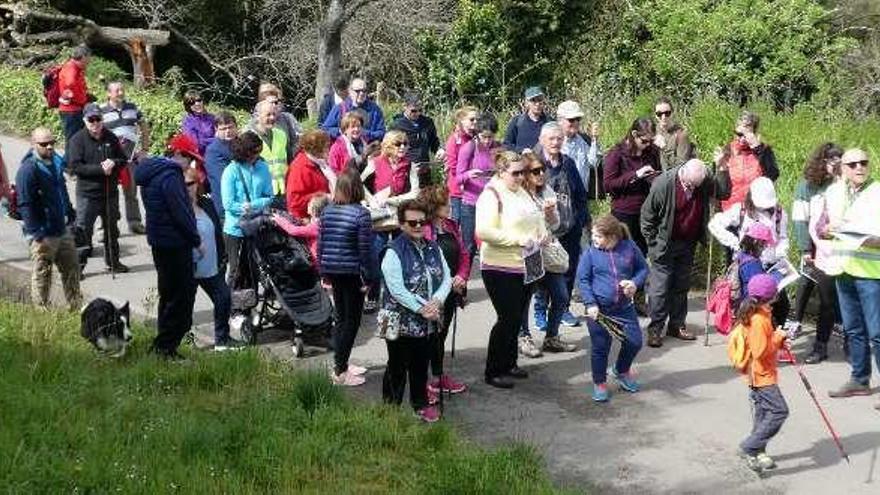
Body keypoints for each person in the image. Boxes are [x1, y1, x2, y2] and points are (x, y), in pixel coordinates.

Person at [641, 158, 731, 348]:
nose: (693, 188)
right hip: (664, 244)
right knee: (660, 288)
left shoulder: (701, 181)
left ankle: (676, 325)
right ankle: (655, 328)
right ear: (683, 174)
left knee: (681, 286)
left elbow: (723, 192)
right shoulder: (663, 184)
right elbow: (647, 217)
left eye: (696, 185)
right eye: (690, 184)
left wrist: (722, 169)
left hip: (688, 242)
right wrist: (654, 244)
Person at [476, 150, 547, 389]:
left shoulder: (522, 191)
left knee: (517, 317)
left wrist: (541, 231)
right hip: (500, 266)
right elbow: (484, 232)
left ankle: (510, 363)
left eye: (523, 172)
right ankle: (494, 370)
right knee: (506, 318)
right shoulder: (491, 194)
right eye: (515, 173)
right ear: (501, 171)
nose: (520, 177)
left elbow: (536, 217)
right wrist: (518, 240)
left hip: (528, 263)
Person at [379, 199, 452, 423]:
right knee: (397, 365)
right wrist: (423, 308)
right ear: (401, 224)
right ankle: (390, 408)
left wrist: (437, 301)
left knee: (421, 363)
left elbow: (446, 277)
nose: (418, 226)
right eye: (412, 223)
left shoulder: (433, 247)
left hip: (427, 318)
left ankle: (420, 404)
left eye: (422, 221)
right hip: (395, 319)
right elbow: (397, 289)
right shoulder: (392, 251)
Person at [817, 149, 880, 405]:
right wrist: (827, 230)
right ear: (842, 168)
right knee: (853, 330)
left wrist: (871, 240)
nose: (858, 167)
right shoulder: (833, 192)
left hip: (871, 273)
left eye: (863, 162)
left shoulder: (877, 193)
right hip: (842, 269)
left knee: (877, 333)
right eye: (852, 164)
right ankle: (859, 379)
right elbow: (820, 228)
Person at [134, 134, 203, 361]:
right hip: (175, 243)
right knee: (180, 298)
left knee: (167, 293)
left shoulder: (151, 172)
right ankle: (166, 348)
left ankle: (164, 346)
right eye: (188, 158)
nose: (190, 165)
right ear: (177, 155)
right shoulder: (171, 176)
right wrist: (196, 239)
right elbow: (181, 213)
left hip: (159, 240)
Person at [578, 214, 648, 402]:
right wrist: (590, 303)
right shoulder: (590, 253)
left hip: (624, 309)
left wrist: (634, 283)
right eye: (593, 235)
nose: (594, 239)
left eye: (598, 236)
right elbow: (583, 280)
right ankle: (599, 382)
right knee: (601, 348)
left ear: (613, 237)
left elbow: (643, 269)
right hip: (599, 311)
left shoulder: (630, 247)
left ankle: (621, 370)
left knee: (635, 342)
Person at [527, 122, 589, 333]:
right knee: (543, 273)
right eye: (551, 139)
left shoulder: (568, 163)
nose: (556, 142)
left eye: (559, 139)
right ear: (542, 140)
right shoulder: (534, 163)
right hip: (545, 232)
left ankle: (562, 309)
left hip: (569, 227)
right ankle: (540, 311)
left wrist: (580, 221)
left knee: (567, 270)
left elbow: (580, 194)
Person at [317, 171, 375, 386]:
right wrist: (368, 278)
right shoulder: (361, 214)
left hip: (333, 271)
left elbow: (321, 245)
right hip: (352, 273)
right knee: (351, 322)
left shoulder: (327, 211)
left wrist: (324, 272)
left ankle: (341, 362)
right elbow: (365, 250)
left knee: (341, 319)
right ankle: (340, 370)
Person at [708, 177, 790, 327]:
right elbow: (715, 225)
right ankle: (747, 339)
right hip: (748, 265)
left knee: (781, 306)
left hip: (772, 265)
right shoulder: (740, 210)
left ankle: (772, 339)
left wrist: (781, 252)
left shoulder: (780, 213)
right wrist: (733, 242)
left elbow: (783, 237)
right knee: (749, 305)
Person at [518, 150, 577, 356]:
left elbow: (557, 224)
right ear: (525, 174)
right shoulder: (520, 195)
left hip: (549, 250)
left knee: (560, 295)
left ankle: (551, 337)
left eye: (543, 169)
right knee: (525, 296)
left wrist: (551, 214)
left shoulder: (548, 191)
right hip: (530, 251)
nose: (541, 173)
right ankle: (524, 337)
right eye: (535, 171)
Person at [15, 127, 81, 310]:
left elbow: (62, 191)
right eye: (44, 144)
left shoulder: (57, 162)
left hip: (62, 228)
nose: (50, 147)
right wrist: (37, 234)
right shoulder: (28, 170)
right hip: (43, 234)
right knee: (43, 274)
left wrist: (70, 212)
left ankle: (75, 308)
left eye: (52, 142)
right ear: (33, 144)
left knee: (72, 270)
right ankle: (41, 312)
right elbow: (25, 204)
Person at [790, 143, 843, 364]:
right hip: (813, 246)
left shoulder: (843, 186)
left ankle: (843, 334)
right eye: (833, 161)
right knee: (807, 284)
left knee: (832, 296)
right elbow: (800, 219)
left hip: (839, 250)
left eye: (840, 161)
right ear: (822, 162)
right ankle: (797, 324)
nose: (837, 165)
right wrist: (804, 248)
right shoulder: (807, 186)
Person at [733, 274, 790, 473]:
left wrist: (776, 338)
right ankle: (750, 445)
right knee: (779, 411)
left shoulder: (762, 313)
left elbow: (764, 344)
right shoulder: (759, 319)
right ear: (773, 296)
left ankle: (757, 452)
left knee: (763, 413)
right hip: (762, 376)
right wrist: (778, 337)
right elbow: (759, 351)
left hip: (759, 374)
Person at [418, 186, 470, 401]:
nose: (450, 206)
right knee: (429, 336)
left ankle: (437, 376)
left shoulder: (451, 226)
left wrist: (462, 276)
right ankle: (423, 382)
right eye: (445, 203)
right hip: (432, 293)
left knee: (442, 334)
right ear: (433, 207)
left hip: (451, 291)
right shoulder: (423, 229)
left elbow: (464, 254)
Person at [183, 167, 242, 351]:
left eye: (190, 184)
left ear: (197, 184)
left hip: (211, 265)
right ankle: (185, 340)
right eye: (183, 184)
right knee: (185, 305)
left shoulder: (206, 203)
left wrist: (222, 255)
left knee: (223, 298)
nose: (187, 188)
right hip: (188, 266)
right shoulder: (177, 207)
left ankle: (222, 340)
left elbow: (217, 230)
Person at [67, 103, 128, 273]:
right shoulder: (77, 140)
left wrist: (113, 163)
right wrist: (100, 169)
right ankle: (77, 267)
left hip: (110, 193)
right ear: (85, 120)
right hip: (87, 195)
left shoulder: (111, 137)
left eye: (98, 119)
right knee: (83, 233)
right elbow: (75, 167)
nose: (95, 123)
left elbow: (122, 160)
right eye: (91, 119)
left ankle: (113, 262)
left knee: (112, 230)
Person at [220, 132, 274, 284]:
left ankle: (252, 300)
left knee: (253, 269)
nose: (256, 156)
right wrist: (242, 207)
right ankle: (231, 304)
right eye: (253, 152)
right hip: (235, 228)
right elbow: (228, 204)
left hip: (255, 225)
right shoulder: (231, 171)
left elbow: (269, 196)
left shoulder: (263, 167)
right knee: (236, 270)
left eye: (258, 152)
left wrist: (253, 206)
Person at [603, 117, 661, 256]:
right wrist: (635, 175)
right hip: (624, 213)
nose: (648, 144)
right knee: (623, 254)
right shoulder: (616, 154)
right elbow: (608, 185)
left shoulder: (652, 151)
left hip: (647, 211)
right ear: (634, 134)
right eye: (644, 141)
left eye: (651, 141)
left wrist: (653, 177)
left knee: (642, 253)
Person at [100, 80, 150, 235]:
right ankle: (105, 228)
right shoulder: (101, 111)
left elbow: (144, 127)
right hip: (110, 159)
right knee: (108, 193)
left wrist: (144, 149)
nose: (121, 93)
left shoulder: (132, 108)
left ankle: (135, 223)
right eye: (117, 90)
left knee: (131, 192)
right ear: (109, 94)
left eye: (122, 90)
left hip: (130, 158)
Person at [456, 113, 501, 259]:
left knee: (490, 243)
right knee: (469, 246)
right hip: (471, 202)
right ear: (477, 134)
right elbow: (458, 178)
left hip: (492, 202)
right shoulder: (469, 148)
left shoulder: (499, 148)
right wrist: (469, 175)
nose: (487, 141)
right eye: (484, 137)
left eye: (490, 137)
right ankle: (463, 278)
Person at [716, 110, 779, 212]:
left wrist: (758, 149)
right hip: (730, 212)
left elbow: (773, 175)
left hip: (755, 211)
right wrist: (718, 166)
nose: (742, 139)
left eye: (746, 134)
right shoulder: (726, 150)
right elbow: (717, 187)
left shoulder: (764, 151)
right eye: (739, 134)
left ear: (754, 133)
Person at [286, 130, 335, 220]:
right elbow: (294, 202)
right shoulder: (300, 168)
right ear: (316, 149)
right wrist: (323, 196)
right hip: (305, 219)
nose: (329, 149)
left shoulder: (320, 163)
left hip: (322, 214)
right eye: (326, 147)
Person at [557, 100, 601, 197]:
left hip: (581, 195)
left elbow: (594, 163)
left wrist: (594, 140)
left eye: (578, 119)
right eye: (571, 119)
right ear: (560, 121)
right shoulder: (553, 141)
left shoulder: (584, 139)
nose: (576, 122)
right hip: (560, 197)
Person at [321, 77, 386, 143]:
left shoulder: (374, 109)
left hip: (368, 149)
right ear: (350, 91)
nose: (361, 94)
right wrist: (343, 131)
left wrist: (366, 134)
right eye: (357, 91)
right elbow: (325, 129)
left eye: (364, 91)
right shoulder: (340, 108)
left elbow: (381, 132)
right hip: (344, 149)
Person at [247, 99, 290, 196]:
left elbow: (287, 160)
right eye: (268, 114)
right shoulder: (249, 137)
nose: (272, 117)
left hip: (283, 190)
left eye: (274, 114)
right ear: (258, 116)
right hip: (261, 192)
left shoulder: (281, 134)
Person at [444, 106, 478, 223]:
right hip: (458, 190)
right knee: (457, 222)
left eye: (477, 119)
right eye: (472, 119)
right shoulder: (454, 140)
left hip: (475, 189)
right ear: (462, 120)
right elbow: (453, 167)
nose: (475, 123)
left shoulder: (477, 138)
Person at [252, 82, 303, 158]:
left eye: (277, 102)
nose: (275, 105)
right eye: (273, 102)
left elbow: (299, 140)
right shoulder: (252, 126)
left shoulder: (287, 118)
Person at [275, 193, 330, 262]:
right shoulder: (325, 221)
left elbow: (293, 230)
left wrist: (279, 220)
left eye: (309, 204)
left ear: (314, 209)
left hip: (318, 261)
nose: (307, 205)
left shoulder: (317, 226)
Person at [203, 112, 238, 220]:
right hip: (226, 208)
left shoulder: (241, 144)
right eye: (223, 129)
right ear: (216, 130)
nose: (228, 131)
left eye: (230, 127)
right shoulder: (213, 151)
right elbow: (223, 179)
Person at [390, 92, 441, 165]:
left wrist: (439, 150)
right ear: (404, 106)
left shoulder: (427, 122)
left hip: (424, 166)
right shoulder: (396, 125)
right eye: (413, 111)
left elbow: (433, 141)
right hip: (404, 167)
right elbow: (390, 148)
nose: (418, 113)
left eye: (420, 110)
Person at [652, 97, 695, 171]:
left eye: (667, 113)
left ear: (672, 113)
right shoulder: (651, 132)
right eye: (659, 114)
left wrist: (663, 149)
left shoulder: (681, 135)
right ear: (655, 115)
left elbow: (680, 168)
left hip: (670, 177)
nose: (663, 117)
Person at [58, 45, 91, 141]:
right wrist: (79, 97)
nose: (89, 61)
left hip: (75, 110)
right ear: (83, 57)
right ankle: (69, 156)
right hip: (71, 111)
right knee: (73, 141)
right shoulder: (71, 68)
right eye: (89, 57)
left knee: (78, 140)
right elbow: (70, 83)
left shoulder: (75, 68)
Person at [503, 86, 550, 152]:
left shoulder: (549, 122)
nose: (537, 104)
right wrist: (522, 150)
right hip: (522, 160)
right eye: (533, 100)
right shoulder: (517, 121)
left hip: (545, 161)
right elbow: (506, 145)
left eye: (540, 100)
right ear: (526, 103)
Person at [181, 90, 216, 155]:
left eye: (199, 100)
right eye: (192, 103)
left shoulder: (212, 118)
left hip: (217, 152)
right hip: (200, 157)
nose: (197, 104)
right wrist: (216, 140)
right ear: (188, 106)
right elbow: (195, 144)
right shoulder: (188, 122)